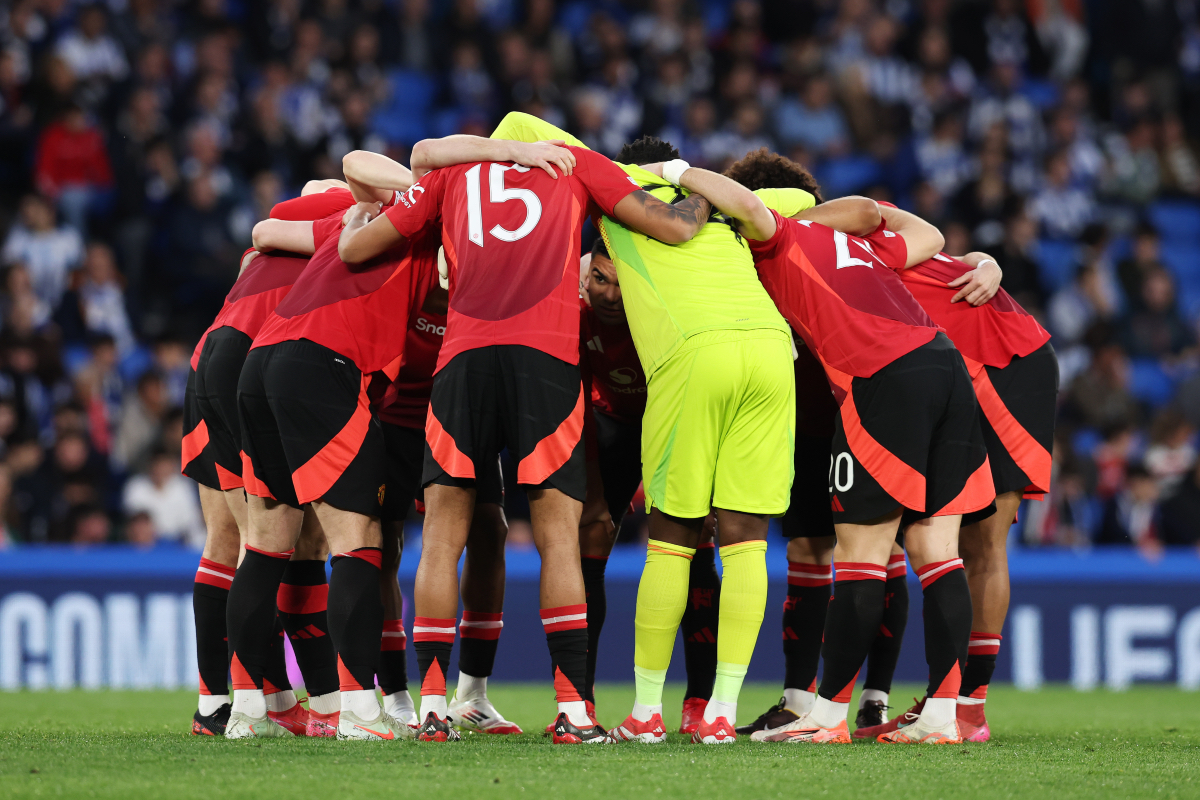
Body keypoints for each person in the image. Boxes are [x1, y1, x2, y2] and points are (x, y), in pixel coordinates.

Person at [337, 133, 709, 744]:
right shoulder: (577, 165)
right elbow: (672, 228)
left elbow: (361, 247)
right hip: (546, 361)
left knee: (440, 538)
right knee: (559, 536)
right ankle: (573, 711)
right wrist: (698, 192)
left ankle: (433, 706)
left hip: (463, 362)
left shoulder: (454, 173)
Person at [490, 114, 812, 745]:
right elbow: (802, 200)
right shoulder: (722, 201)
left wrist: (525, 159)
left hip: (694, 358)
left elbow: (519, 123)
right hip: (773, 355)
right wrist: (694, 178)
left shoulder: (611, 187)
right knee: (746, 538)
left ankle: (645, 712)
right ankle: (719, 712)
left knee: (672, 537)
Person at [697, 154, 992, 744]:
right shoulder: (861, 248)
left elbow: (754, 210)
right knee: (937, 549)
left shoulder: (773, 242)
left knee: (860, 554)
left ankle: (828, 717)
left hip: (882, 380)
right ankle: (941, 715)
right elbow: (920, 232)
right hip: (945, 368)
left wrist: (680, 174)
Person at [851, 207, 1057, 743]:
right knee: (946, 540)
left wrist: (987, 262)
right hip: (949, 367)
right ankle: (950, 700)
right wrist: (984, 261)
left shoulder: (833, 234)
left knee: (982, 541)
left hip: (1000, 359)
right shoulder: (828, 255)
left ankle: (968, 707)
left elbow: (945, 249)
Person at [182, 185, 353, 737]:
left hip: (211, 355)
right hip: (258, 362)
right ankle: (293, 703)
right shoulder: (349, 228)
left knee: (228, 543)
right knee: (287, 541)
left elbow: (259, 241)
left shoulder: (273, 238)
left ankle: (228, 703)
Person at [575, 239, 722, 735]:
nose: (611, 295)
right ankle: (581, 700)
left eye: (622, 283)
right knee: (589, 536)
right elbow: (575, 407)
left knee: (695, 540)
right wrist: (595, 494)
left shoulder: (669, 306)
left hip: (675, 424)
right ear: (585, 274)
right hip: (610, 424)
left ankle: (698, 701)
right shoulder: (569, 312)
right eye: (600, 279)